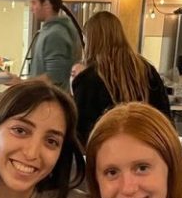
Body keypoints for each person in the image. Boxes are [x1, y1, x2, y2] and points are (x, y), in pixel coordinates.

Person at [73, 11, 171, 145]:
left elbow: (81, 132)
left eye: (85, 39)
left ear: (91, 40)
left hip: (106, 152)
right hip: (146, 147)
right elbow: (165, 120)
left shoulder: (88, 79)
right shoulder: (147, 71)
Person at [5, 0, 83, 92]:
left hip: (52, 103)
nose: (31, 8)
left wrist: (21, 83)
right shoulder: (52, 31)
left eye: (34, 3)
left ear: (46, 4)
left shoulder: (55, 34)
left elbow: (53, 78)